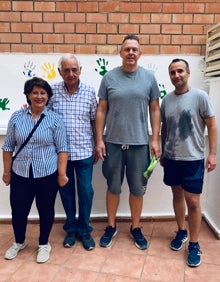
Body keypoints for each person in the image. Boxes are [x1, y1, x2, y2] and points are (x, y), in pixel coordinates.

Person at [95, 34, 161, 250]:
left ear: (140, 54)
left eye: (134, 49)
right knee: (113, 187)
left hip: (140, 144)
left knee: (137, 189)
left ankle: (135, 227)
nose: (131, 52)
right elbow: (102, 109)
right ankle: (111, 226)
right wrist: (99, 140)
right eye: (127, 49)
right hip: (113, 143)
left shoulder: (149, 78)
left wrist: (155, 139)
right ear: (120, 52)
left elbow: (155, 109)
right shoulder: (109, 78)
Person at [2, 77, 68, 263]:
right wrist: (7, 172)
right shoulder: (17, 117)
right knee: (19, 209)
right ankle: (19, 242)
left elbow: (63, 148)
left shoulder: (55, 119)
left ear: (48, 97)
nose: (39, 96)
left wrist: (62, 174)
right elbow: (8, 147)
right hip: (20, 172)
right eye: (35, 93)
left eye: (43, 93)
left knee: (45, 209)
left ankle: (43, 244)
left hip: (47, 173)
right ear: (28, 95)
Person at [160, 58, 217, 267]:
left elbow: (212, 126)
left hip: (194, 159)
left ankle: (194, 244)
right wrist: (163, 150)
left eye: (180, 71)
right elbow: (164, 128)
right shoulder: (167, 100)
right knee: (176, 195)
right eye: (173, 72)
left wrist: (212, 155)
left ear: (188, 72)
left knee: (192, 202)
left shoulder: (200, 97)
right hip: (172, 158)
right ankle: (181, 232)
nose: (177, 75)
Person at [48, 54, 98, 251]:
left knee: (86, 192)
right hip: (61, 155)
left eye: (74, 69)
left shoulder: (89, 92)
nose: (71, 74)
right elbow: (47, 120)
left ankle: (84, 230)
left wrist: (97, 144)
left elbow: (95, 120)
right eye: (66, 70)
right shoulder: (52, 92)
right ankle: (70, 229)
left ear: (80, 70)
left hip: (85, 151)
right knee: (66, 193)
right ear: (60, 72)